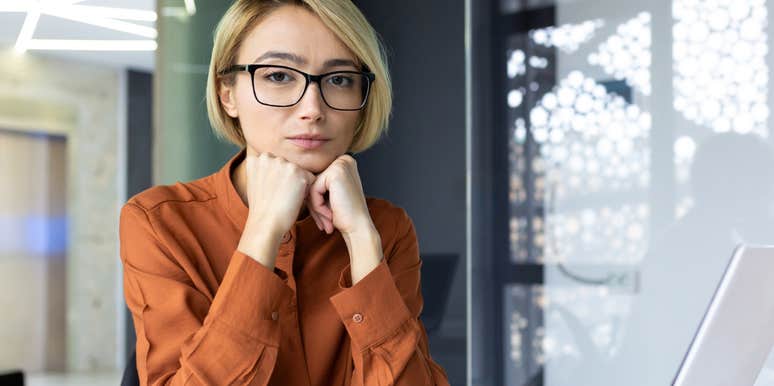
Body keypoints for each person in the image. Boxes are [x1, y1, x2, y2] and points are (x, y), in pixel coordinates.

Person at [119, 1, 450, 385]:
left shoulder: (385, 228)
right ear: (228, 94)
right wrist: (263, 231)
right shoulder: (160, 221)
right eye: (278, 76)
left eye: (340, 79)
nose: (312, 108)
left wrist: (362, 240)